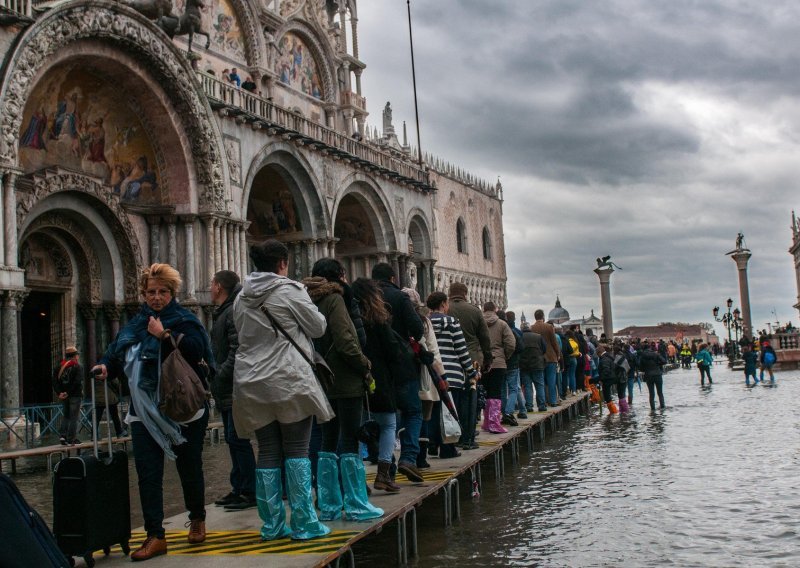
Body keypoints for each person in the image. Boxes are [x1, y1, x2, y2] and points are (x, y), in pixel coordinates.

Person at [93, 264, 214, 561]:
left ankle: (197, 518)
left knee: (189, 467)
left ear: (172, 293)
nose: (156, 298)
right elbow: (116, 351)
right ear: (144, 294)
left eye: (162, 292)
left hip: (182, 408)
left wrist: (164, 335)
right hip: (143, 410)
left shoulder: (185, 320)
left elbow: (198, 352)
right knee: (148, 473)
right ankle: (155, 535)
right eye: (150, 292)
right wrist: (106, 365)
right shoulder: (136, 323)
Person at [232, 240, 334, 541]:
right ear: (282, 264)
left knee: (267, 450)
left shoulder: (241, 297)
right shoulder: (289, 290)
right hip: (288, 378)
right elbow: (318, 328)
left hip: (252, 381)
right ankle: (304, 522)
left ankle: (272, 525)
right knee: (297, 449)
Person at [303, 258, 382, 522]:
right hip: (345, 379)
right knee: (349, 439)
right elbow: (346, 340)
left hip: (321, 380)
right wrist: (364, 364)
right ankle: (357, 504)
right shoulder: (335, 299)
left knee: (327, 440)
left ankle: (329, 504)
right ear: (339, 276)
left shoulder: (307, 299)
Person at [371, 262, 425, 482]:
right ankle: (409, 458)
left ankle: (387, 468)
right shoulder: (400, 297)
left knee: (383, 418)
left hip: (374, 366)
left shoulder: (364, 297)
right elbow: (418, 330)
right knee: (413, 411)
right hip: (401, 364)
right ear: (393, 278)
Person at [209, 270, 257, 511]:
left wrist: (219, 375)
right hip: (228, 387)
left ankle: (250, 490)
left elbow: (237, 349)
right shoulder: (226, 310)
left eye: (211, 284)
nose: (209, 289)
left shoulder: (232, 311)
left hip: (234, 386)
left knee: (238, 439)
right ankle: (239, 487)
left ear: (218, 286)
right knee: (232, 438)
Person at [352, 278, 404, 492]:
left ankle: (357, 480)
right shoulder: (378, 320)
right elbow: (393, 351)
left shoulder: (351, 319)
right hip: (380, 379)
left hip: (356, 378)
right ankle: (383, 474)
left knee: (357, 428)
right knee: (388, 424)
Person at [427, 291, 477, 458]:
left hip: (432, 374)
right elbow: (461, 350)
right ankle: (448, 449)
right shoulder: (451, 322)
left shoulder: (425, 323)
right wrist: (471, 371)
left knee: (433, 411)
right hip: (452, 375)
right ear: (443, 304)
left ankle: (433, 445)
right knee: (449, 412)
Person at [447, 282, 491, 449]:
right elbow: (485, 338)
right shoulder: (474, 310)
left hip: (449, 361)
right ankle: (468, 439)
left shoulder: (446, 309)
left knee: (453, 399)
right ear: (465, 293)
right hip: (472, 361)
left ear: (450, 293)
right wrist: (487, 360)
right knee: (470, 399)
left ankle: (454, 436)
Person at [481, 302, 516, 433]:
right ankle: (494, 423)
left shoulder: (479, 322)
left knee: (484, 391)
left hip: (482, 362)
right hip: (498, 363)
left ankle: (485, 422)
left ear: (484, 309)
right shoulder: (502, 324)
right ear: (495, 310)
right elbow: (511, 343)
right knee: (495, 392)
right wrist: (504, 356)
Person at [52, 346, 83, 446]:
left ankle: (63, 436)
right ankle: (71, 439)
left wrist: (59, 392)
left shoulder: (58, 367)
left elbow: (54, 381)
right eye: (77, 355)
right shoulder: (77, 367)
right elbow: (77, 382)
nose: (78, 357)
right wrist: (68, 392)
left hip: (64, 396)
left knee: (66, 415)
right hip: (74, 395)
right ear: (74, 356)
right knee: (74, 417)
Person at [531, 310, 561, 407]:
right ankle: (552, 401)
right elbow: (554, 342)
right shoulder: (549, 327)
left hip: (538, 358)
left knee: (541, 382)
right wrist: (558, 354)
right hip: (551, 357)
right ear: (543, 316)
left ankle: (543, 402)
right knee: (551, 380)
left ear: (535, 317)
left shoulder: (532, 328)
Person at [501, 311, 525, 422]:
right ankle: (509, 412)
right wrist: (509, 355)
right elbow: (520, 347)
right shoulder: (511, 330)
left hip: (499, 364)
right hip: (512, 363)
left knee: (502, 389)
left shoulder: (491, 329)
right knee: (514, 389)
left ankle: (504, 413)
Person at [520, 323, 548, 412]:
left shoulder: (520, 337)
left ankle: (529, 406)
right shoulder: (538, 337)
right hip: (538, 364)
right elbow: (544, 349)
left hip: (524, 365)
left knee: (527, 386)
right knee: (539, 385)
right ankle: (542, 405)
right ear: (530, 328)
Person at [92, 373, 126, 439]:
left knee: (96, 418)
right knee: (115, 416)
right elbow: (115, 382)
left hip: (98, 398)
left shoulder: (93, 371)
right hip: (109, 397)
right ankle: (119, 432)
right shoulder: (105, 369)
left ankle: (94, 436)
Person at [638, 341, 667, 410]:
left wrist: (645, 368)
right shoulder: (656, 354)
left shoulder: (642, 356)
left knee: (651, 393)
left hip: (648, 376)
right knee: (660, 392)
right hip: (658, 374)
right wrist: (657, 364)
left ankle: (653, 409)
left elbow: (640, 368)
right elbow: (664, 361)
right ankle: (662, 407)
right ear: (650, 348)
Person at [593, 345, 619, 414]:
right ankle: (613, 413)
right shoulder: (607, 357)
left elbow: (606, 371)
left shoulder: (604, 359)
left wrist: (600, 379)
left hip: (607, 380)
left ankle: (614, 412)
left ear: (599, 352)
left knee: (607, 397)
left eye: (597, 354)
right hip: (609, 378)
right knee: (608, 397)